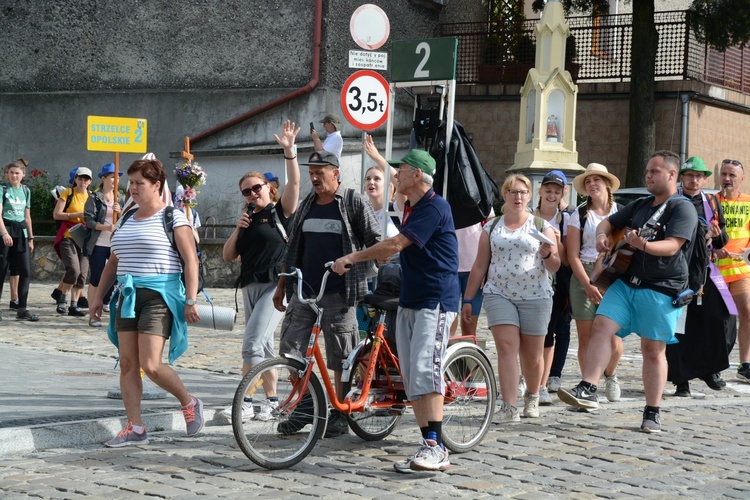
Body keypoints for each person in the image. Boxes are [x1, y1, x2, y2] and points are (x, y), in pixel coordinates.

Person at [332, 149, 459, 472]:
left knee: (425, 372)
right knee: (411, 375)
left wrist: (353, 257)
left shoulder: (434, 206)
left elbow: (394, 244)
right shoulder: (411, 206)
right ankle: (428, 443)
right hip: (411, 298)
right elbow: (402, 246)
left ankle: (437, 447)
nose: (395, 175)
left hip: (436, 300)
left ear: (417, 175)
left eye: (401, 170)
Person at [558, 150, 698, 433]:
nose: (648, 176)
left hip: (660, 287)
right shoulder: (641, 204)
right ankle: (589, 387)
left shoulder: (682, 208)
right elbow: (609, 223)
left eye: (654, 171)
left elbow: (672, 245)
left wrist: (643, 244)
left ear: (672, 175)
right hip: (625, 281)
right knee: (600, 327)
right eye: (647, 171)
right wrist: (601, 236)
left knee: (652, 350)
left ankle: (652, 411)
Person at [91, 156, 204, 447]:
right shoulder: (127, 217)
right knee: (128, 364)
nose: (133, 189)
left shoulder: (174, 217)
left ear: (157, 185)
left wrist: (190, 300)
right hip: (127, 296)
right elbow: (113, 261)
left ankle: (189, 402)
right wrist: (99, 297)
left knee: (151, 364)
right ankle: (136, 428)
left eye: (139, 183)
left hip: (159, 296)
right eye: (131, 183)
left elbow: (191, 262)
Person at [273, 150, 380, 438]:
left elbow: (376, 242)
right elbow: (293, 248)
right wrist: (283, 285)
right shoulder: (308, 203)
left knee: (341, 356)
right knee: (290, 351)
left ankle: (341, 411)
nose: (315, 177)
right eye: (311, 172)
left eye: (320, 172)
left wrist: (356, 261)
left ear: (336, 173)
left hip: (339, 293)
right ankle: (305, 406)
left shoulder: (353, 202)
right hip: (305, 292)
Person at [219, 120, 301, 421]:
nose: (252, 193)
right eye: (247, 191)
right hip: (250, 285)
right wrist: (237, 231)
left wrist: (290, 152)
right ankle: (272, 401)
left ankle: (244, 401)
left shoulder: (281, 211)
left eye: (257, 187)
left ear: (269, 188)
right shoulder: (247, 219)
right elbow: (229, 256)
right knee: (264, 346)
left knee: (252, 343)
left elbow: (294, 185)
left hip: (276, 285)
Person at [462, 174, 559, 424]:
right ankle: (508, 406)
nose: (518, 197)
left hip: (535, 296)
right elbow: (480, 265)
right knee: (506, 348)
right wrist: (468, 299)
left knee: (532, 355)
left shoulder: (541, 225)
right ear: (504, 195)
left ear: (530, 196)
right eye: (513, 192)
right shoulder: (492, 226)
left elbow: (556, 266)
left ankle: (533, 395)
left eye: (523, 192)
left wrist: (548, 255)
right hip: (498, 293)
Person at [667, 156, 735, 396]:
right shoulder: (672, 201)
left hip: (705, 271)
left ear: (704, 179)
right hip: (677, 272)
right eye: (689, 175)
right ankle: (681, 379)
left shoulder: (712, 203)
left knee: (719, 319)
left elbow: (722, 239)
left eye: (698, 176)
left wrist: (717, 236)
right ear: (682, 177)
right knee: (680, 327)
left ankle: (710, 369)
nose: (694, 180)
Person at [567, 163, 624, 403]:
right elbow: (572, 255)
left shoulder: (620, 212)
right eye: (588, 182)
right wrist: (588, 284)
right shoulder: (578, 214)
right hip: (584, 274)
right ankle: (588, 387)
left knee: (613, 336)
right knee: (586, 336)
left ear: (607, 184)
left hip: (613, 274)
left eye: (596, 180)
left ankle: (611, 375)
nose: (592, 185)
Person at [533, 170, 571, 404]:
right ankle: (531, 377)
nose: (551, 195)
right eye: (548, 190)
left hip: (557, 282)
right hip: (529, 281)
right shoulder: (527, 215)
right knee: (530, 334)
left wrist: (556, 241)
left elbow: (567, 259)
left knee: (552, 331)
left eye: (556, 192)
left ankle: (545, 381)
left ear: (562, 194)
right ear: (540, 191)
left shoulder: (566, 219)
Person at [715, 158, 750, 382]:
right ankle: (713, 362)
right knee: (718, 318)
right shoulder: (710, 201)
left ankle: (745, 364)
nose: (727, 179)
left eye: (732, 175)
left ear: (742, 179)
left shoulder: (748, 202)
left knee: (747, 311)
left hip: (740, 270)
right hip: (714, 271)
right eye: (724, 174)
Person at [83, 163, 122, 327]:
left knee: (115, 278)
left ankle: (109, 306)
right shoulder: (94, 197)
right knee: (96, 278)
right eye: (112, 177)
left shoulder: (120, 197)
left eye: (117, 177)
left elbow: (125, 220)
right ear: (104, 178)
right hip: (99, 243)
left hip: (115, 244)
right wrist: (105, 227)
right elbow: (89, 220)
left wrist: (120, 212)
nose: (115, 180)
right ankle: (92, 314)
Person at [0, 158, 38, 321]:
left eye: (17, 173)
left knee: (26, 272)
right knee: (1, 272)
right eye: (11, 173)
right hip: (6, 233)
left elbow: (27, 217)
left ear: (23, 174)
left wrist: (30, 238)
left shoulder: (25, 190)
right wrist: (4, 234)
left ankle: (22, 309)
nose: (14, 176)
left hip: (21, 234)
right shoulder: (2, 189)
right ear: (7, 175)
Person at [52, 166, 93, 317]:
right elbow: (57, 214)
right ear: (75, 179)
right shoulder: (68, 193)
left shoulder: (92, 196)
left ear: (90, 181)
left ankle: (74, 305)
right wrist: (76, 215)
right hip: (68, 236)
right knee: (73, 270)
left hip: (84, 238)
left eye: (86, 179)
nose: (83, 182)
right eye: (80, 178)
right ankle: (62, 298)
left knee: (82, 273)